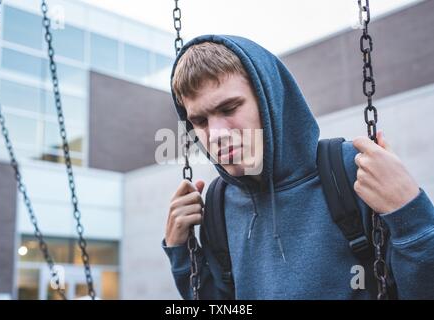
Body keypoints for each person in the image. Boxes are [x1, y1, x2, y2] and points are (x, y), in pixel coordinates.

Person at [162, 35, 434, 299]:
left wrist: (410, 215)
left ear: (270, 100)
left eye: (229, 108)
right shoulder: (219, 202)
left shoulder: (352, 170)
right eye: (200, 121)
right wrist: (182, 255)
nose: (216, 133)